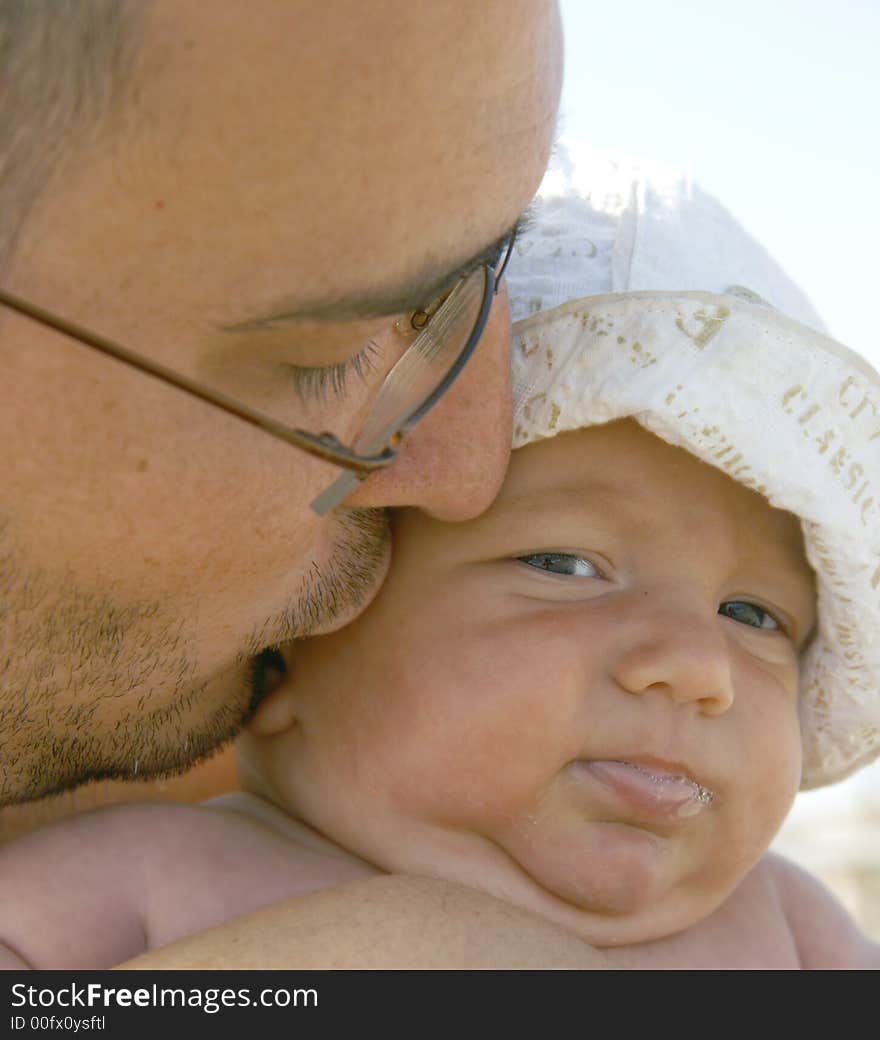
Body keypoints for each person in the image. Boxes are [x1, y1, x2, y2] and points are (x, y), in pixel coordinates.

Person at [3, 155, 878, 969]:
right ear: (290, 644)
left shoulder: (786, 933)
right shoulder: (158, 874)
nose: (700, 668)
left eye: (757, 617)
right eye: (567, 565)